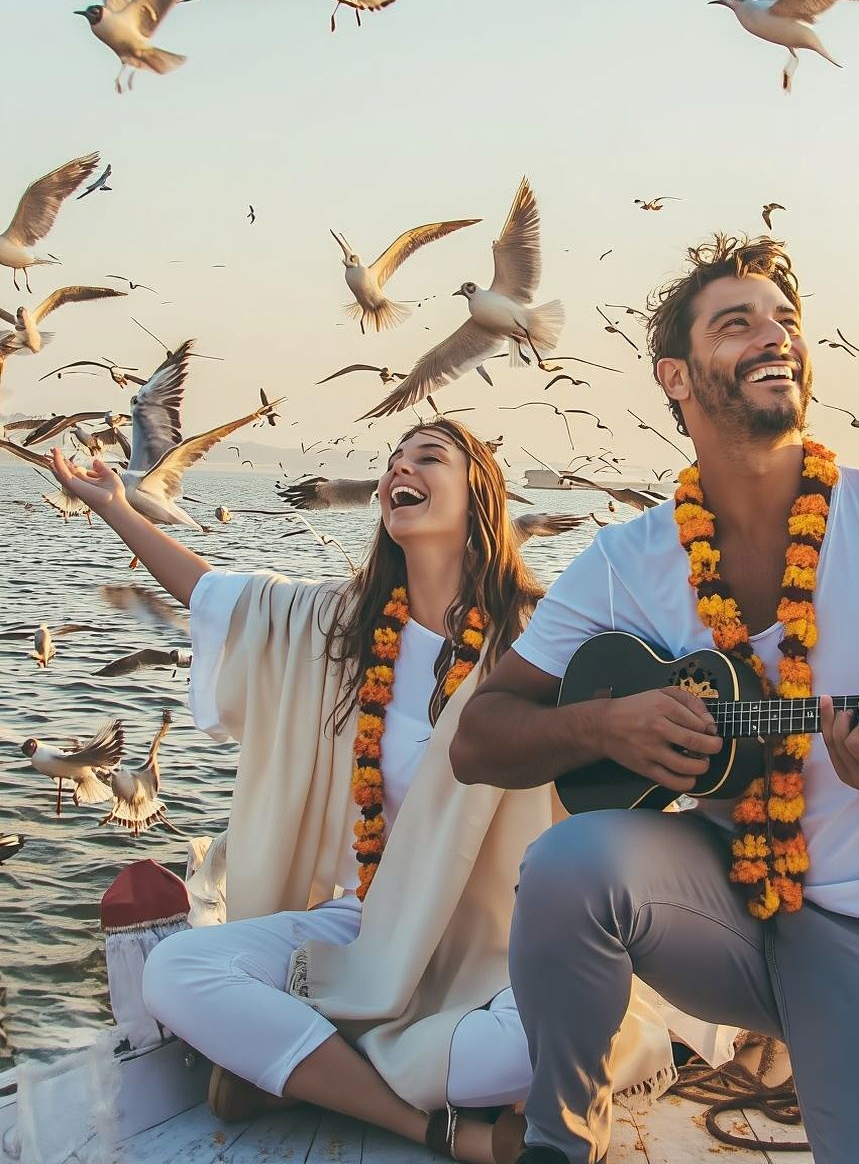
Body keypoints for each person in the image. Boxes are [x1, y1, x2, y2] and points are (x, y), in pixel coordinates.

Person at [452, 234, 859, 1164]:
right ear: (676, 377)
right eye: (737, 323)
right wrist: (607, 723)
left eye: (786, 320)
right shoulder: (627, 559)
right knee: (568, 865)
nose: (775, 336)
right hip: (721, 905)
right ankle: (558, 1145)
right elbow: (478, 739)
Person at [49, 419, 550, 1164]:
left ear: (480, 492)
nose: (398, 471)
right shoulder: (341, 627)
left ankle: (304, 1065)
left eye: (427, 457)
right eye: (391, 461)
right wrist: (115, 507)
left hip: (494, 941)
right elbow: (212, 593)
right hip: (369, 923)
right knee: (176, 972)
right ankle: (428, 1125)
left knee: (529, 1047)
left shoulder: (539, 637)